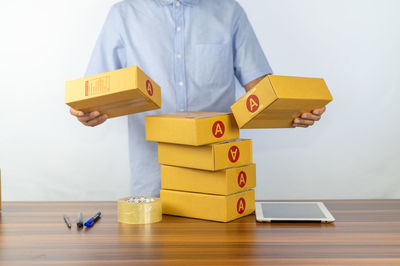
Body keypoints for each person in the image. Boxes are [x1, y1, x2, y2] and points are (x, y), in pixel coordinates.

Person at [70, 0, 326, 197]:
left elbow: (260, 90)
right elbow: (95, 92)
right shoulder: (124, 14)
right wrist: (88, 113)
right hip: (153, 178)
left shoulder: (229, 11)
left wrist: (290, 111)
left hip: (217, 174)